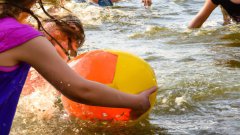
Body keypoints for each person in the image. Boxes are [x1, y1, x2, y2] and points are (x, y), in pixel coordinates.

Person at [0, 0, 157, 134]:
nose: (72, 47)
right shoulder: (23, 36)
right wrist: (137, 102)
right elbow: (80, 90)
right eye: (67, 37)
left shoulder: (10, 28)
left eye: (74, 41)